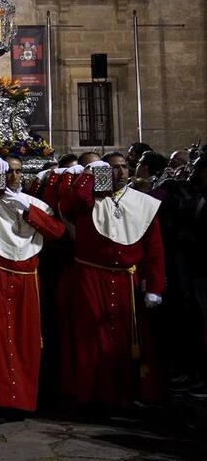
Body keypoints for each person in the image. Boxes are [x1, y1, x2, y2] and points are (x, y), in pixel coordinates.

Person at [59, 153, 165, 411]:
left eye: (124, 167)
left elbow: (154, 250)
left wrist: (154, 287)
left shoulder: (144, 203)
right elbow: (72, 202)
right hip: (92, 277)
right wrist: (89, 175)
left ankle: (126, 395)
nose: (120, 172)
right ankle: (94, 395)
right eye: (112, 168)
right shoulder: (87, 201)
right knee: (93, 339)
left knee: (128, 340)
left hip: (127, 279)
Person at [0, 158, 65, 420]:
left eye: (18, 171)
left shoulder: (34, 204)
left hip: (27, 279)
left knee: (25, 341)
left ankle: (22, 400)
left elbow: (57, 231)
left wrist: (30, 212)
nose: (14, 176)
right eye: (7, 171)